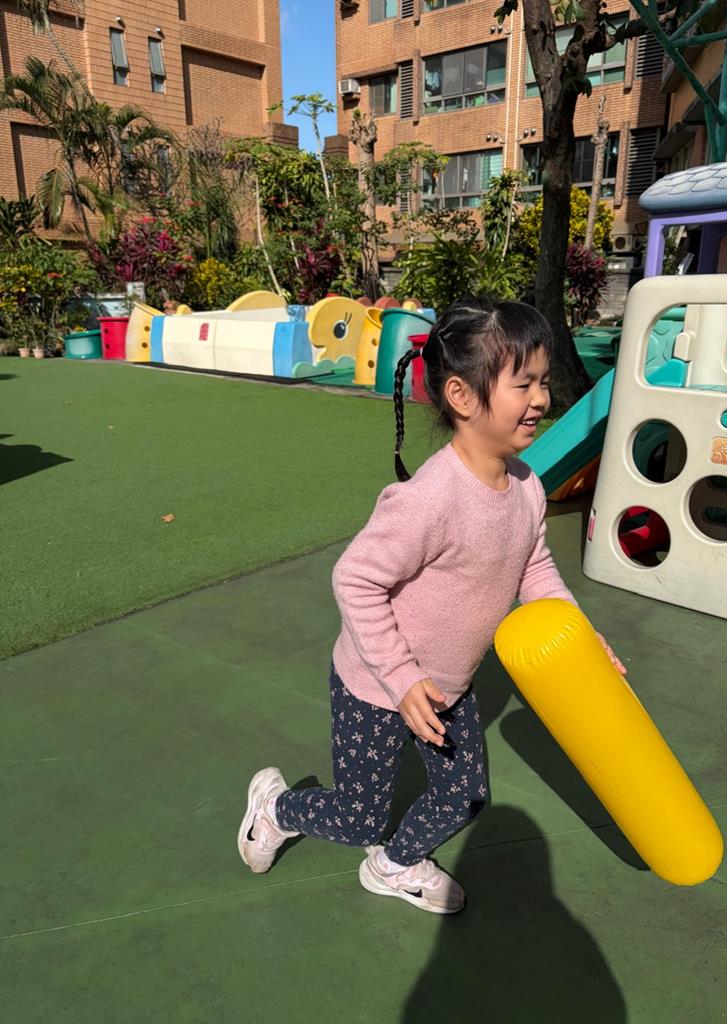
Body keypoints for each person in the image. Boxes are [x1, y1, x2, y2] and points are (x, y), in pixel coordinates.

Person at [237, 297, 625, 914]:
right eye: (523, 384)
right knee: (361, 817)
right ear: (463, 396)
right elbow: (355, 579)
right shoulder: (429, 499)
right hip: (374, 687)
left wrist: (579, 640)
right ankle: (276, 807)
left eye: (543, 382)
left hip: (449, 686)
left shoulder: (526, 485)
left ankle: (393, 865)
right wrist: (401, 676)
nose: (541, 399)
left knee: (464, 795)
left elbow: (534, 568)